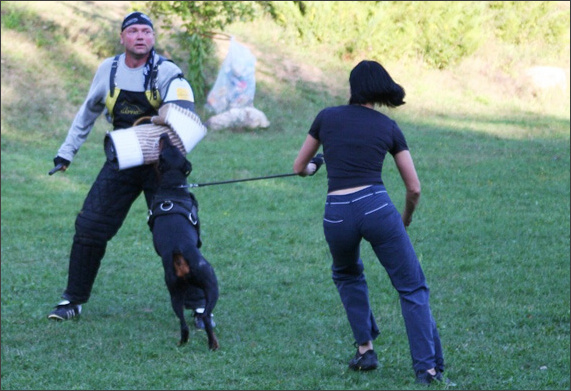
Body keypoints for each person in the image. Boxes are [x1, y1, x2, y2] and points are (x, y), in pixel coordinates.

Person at [47, 11, 214, 329]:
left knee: (177, 236)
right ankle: (72, 300)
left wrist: (162, 120)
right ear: (122, 37)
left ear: (153, 38)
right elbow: (87, 113)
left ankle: (199, 308)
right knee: (90, 228)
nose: (141, 36)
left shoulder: (167, 71)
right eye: (134, 31)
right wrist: (65, 153)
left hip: (162, 166)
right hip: (121, 158)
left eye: (147, 32)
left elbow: (185, 113)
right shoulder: (108, 70)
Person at [293, 60, 446, 384]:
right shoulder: (387, 126)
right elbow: (414, 187)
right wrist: (404, 218)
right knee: (412, 287)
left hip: (336, 213)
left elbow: (299, 167)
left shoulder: (326, 117)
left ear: (353, 87)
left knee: (347, 275)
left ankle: (365, 350)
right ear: (379, 88)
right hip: (375, 207)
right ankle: (428, 370)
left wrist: (314, 167)